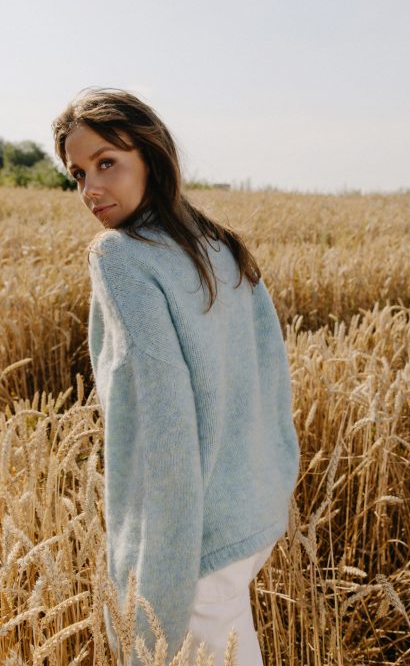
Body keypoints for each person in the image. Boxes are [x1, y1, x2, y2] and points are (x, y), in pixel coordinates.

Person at [51, 87, 301, 665]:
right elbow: (270, 377)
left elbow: (161, 429)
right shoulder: (217, 244)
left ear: (152, 157)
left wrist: (156, 578)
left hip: (195, 540)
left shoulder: (121, 257)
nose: (90, 189)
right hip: (250, 514)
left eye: (106, 163)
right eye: (77, 173)